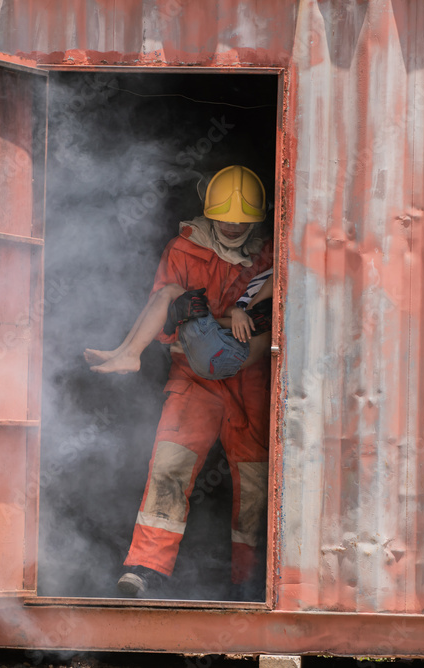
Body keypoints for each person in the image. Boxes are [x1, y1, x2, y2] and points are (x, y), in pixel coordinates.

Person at [100, 165, 275, 599]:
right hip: (192, 377)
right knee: (169, 467)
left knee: (256, 480)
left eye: (242, 220)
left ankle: (249, 579)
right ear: (209, 213)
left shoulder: (273, 253)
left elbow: (277, 315)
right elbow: (163, 318)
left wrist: (229, 317)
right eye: (225, 218)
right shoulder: (183, 248)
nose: (232, 226)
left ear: (257, 219)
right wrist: (204, 320)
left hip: (250, 379)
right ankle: (145, 568)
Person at [83, 268, 275, 379]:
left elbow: (253, 320)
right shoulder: (263, 277)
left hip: (229, 353)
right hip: (217, 355)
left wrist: (205, 318)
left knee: (171, 292)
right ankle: (122, 351)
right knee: (163, 295)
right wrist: (236, 313)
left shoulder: (278, 277)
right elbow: (238, 313)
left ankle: (131, 355)